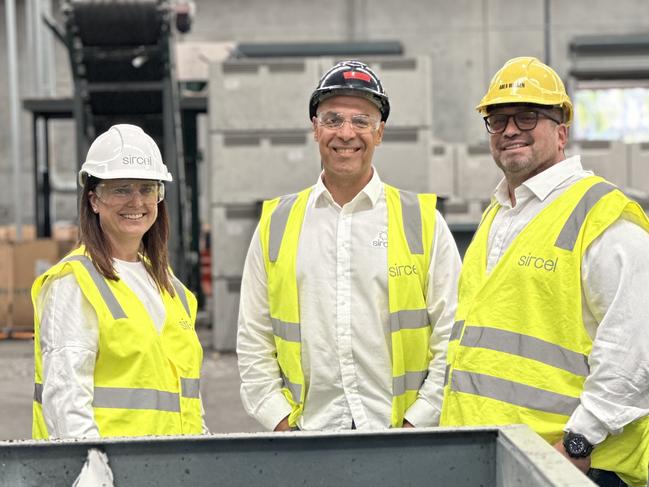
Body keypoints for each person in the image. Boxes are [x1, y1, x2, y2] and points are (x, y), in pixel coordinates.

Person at [439, 56, 649, 487]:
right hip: (495, 458)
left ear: (561, 130)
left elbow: (635, 346)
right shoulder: (499, 215)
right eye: (497, 121)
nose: (510, 129)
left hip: (576, 468)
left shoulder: (601, 214)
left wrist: (579, 443)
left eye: (528, 116)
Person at [237, 60, 461, 432]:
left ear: (380, 132)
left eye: (361, 121)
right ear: (315, 129)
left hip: (403, 437)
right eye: (332, 119)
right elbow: (253, 337)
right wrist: (280, 422)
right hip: (307, 435)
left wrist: (416, 422)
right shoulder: (276, 224)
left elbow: (452, 335)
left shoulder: (422, 222)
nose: (346, 133)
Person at [32, 124, 205, 439]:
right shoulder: (74, 284)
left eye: (146, 188)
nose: (137, 202)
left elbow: (190, 403)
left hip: (176, 469)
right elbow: (67, 404)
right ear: (94, 200)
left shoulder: (172, 289)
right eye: (121, 188)